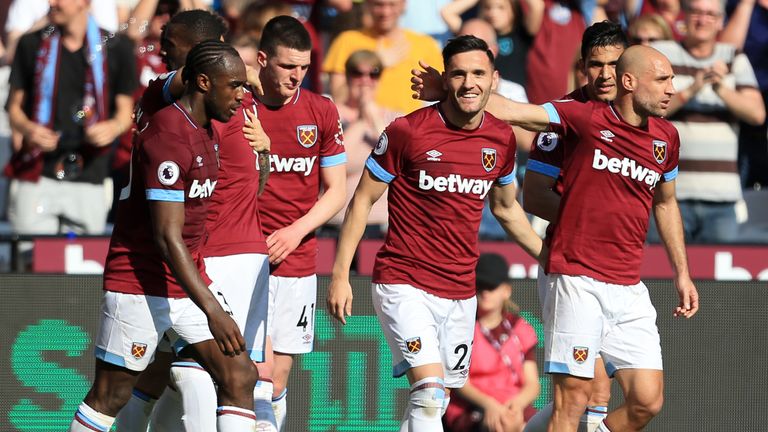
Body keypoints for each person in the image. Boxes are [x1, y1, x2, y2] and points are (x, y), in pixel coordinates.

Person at [327, 35, 545, 432]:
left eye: (478, 73)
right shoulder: (408, 131)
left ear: (494, 79)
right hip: (404, 280)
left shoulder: (501, 139)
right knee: (429, 391)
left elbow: (507, 210)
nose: (468, 83)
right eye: (458, 73)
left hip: (461, 290)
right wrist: (340, 275)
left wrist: (549, 256)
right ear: (445, 79)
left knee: (435, 400)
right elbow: (360, 202)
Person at [67, 40, 261, 432]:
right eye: (234, 85)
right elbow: (167, 237)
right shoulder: (168, 137)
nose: (242, 96)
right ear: (204, 82)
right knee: (111, 395)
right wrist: (213, 309)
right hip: (139, 282)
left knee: (240, 374)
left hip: (184, 281)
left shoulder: (207, 129)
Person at [519, 20, 628, 432]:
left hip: (620, 271)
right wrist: (591, 220)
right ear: (582, 67)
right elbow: (534, 196)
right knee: (590, 391)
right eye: (595, 65)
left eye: (614, 65)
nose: (604, 75)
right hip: (572, 264)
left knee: (624, 395)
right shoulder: (561, 120)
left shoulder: (642, 118)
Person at [254, 15, 347, 430]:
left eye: (304, 67)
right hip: (244, 256)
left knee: (279, 376)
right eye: (287, 66)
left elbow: (337, 191)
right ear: (261, 60)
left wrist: (296, 231)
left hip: (297, 255)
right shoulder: (237, 107)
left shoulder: (321, 110)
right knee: (258, 371)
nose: (297, 76)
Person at [5, 0, 136, 240]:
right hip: (37, 172)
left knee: (82, 270)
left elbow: (125, 112)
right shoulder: (31, 43)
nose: (51, 3)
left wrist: (112, 127)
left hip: (90, 174)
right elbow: (13, 108)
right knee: (28, 263)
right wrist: (29, 129)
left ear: (83, 3)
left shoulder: (117, 47)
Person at [651, 0, 765, 243]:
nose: (703, 20)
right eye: (697, 12)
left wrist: (720, 89)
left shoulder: (733, 57)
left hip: (722, 199)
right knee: (661, 275)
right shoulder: (664, 53)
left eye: (711, 15)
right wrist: (693, 88)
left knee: (721, 280)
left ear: (721, 22)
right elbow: (647, 109)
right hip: (669, 195)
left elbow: (757, 114)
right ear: (685, 16)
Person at [443, 253, 540, 432]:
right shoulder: (462, 327)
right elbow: (460, 382)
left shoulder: (521, 328)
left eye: (492, 286)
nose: (485, 292)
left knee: (546, 423)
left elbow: (532, 384)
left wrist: (516, 405)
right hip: (470, 407)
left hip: (513, 406)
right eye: (480, 286)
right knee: (502, 425)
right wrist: (490, 405)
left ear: (506, 290)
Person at [322, 0, 443, 114]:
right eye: (379, 5)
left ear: (403, 4)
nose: (385, 12)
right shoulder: (346, 41)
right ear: (368, 5)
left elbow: (442, 94)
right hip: (362, 129)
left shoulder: (425, 44)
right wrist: (376, 63)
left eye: (392, 5)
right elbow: (338, 96)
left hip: (410, 128)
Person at [327, 49, 399, 237]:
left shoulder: (395, 117)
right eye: (358, 73)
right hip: (336, 222)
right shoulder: (329, 113)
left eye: (373, 73)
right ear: (347, 76)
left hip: (380, 224)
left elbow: (395, 163)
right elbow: (341, 163)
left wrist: (374, 119)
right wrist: (361, 121)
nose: (365, 80)